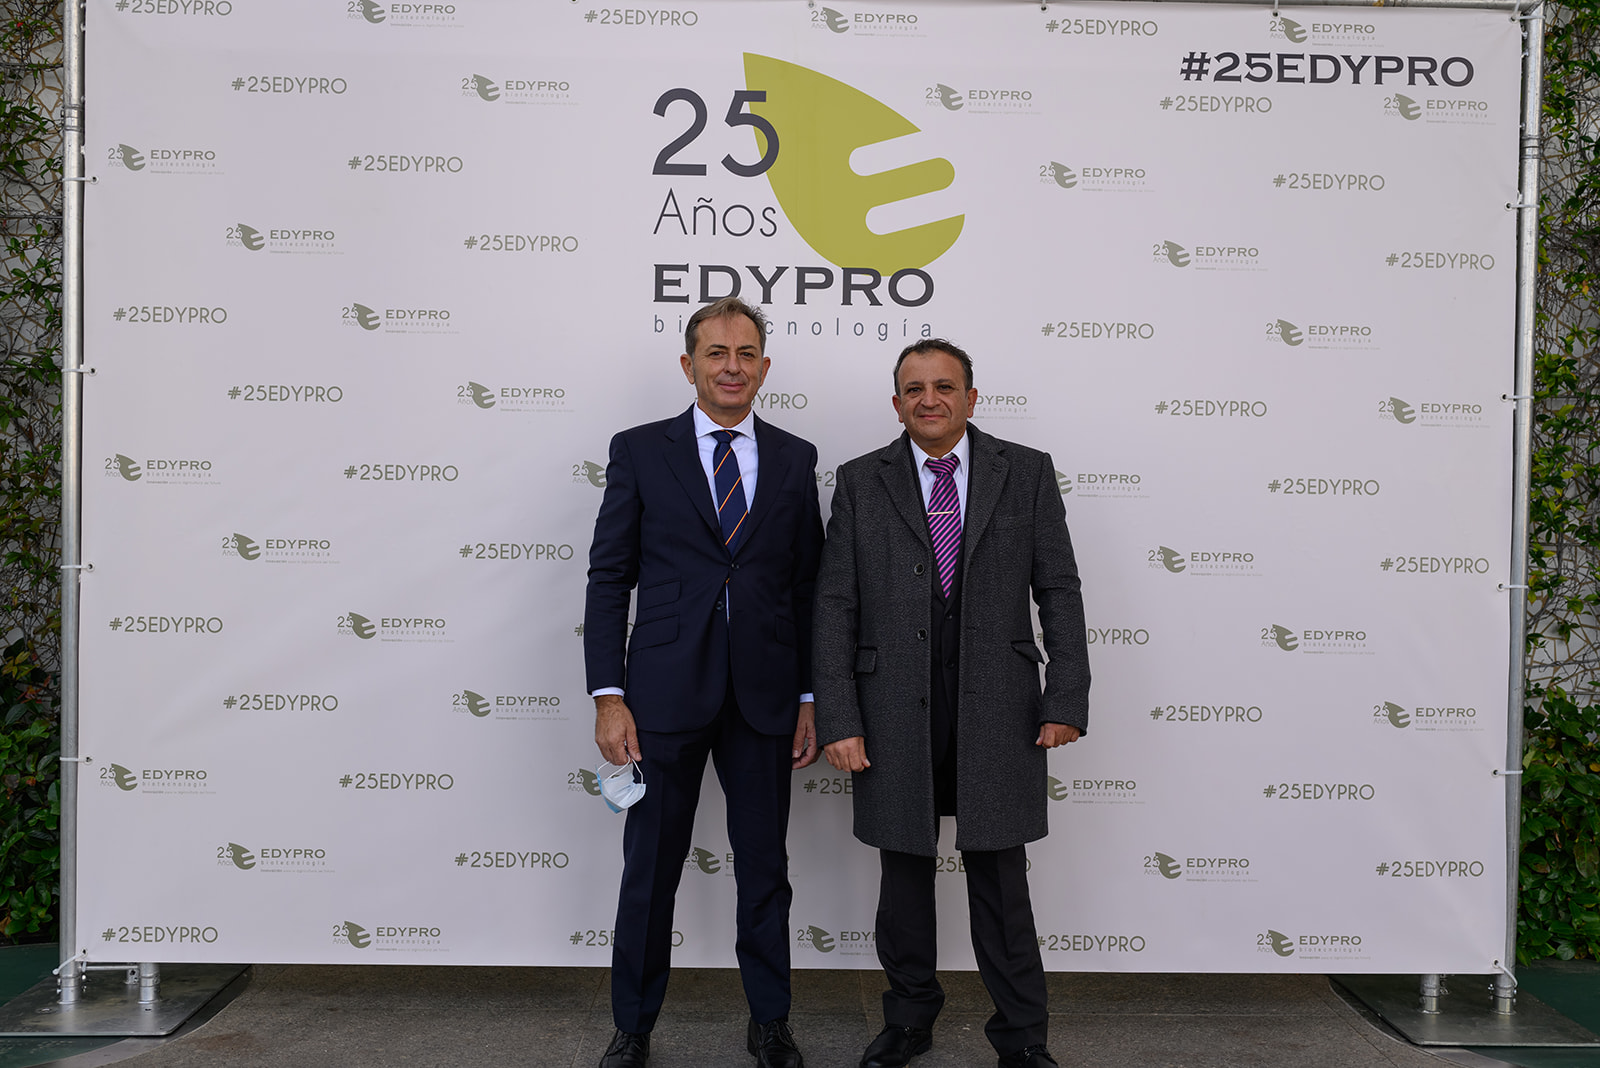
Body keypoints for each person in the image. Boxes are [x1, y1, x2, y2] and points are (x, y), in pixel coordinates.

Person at [812, 340, 1091, 1068]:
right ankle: (908, 1020)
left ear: (971, 397)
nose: (928, 399)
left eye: (944, 386)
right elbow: (835, 604)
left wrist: (1065, 696)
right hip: (890, 710)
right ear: (896, 402)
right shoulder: (860, 480)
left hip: (1000, 707)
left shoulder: (1024, 471)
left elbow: (1058, 589)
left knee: (1001, 879)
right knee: (904, 876)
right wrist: (839, 716)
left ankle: (1023, 1037)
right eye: (914, 389)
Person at [583, 297, 824, 1068]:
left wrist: (810, 697)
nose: (731, 366)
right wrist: (608, 696)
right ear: (688, 365)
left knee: (765, 871)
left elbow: (808, 588)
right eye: (716, 352)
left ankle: (771, 1023)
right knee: (650, 872)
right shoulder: (639, 450)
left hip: (765, 699)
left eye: (746, 353)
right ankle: (632, 1026)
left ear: (764, 367)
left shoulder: (796, 458)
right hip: (660, 697)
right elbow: (609, 577)